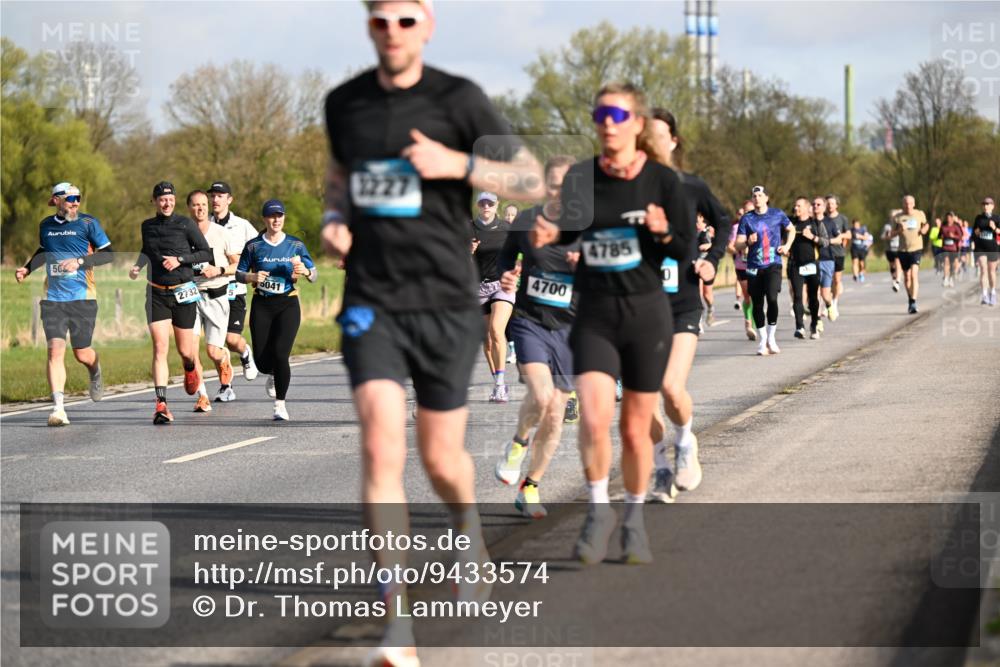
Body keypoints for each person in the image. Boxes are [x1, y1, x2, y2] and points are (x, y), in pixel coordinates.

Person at [320, 1, 545, 663]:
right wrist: (335, 222)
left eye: (405, 20)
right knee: (381, 446)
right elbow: (340, 184)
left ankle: (467, 526)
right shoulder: (345, 103)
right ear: (369, 26)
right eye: (381, 20)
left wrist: (459, 164)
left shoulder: (461, 100)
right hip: (372, 298)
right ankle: (397, 626)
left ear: (427, 24)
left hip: (445, 300)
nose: (393, 31)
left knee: (441, 459)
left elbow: (528, 179)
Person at [532, 82, 692, 564]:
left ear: (637, 124)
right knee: (597, 418)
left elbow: (684, 250)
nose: (607, 122)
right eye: (601, 113)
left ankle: (635, 520)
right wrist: (554, 231)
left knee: (635, 427)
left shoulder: (663, 182)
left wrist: (664, 232)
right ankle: (598, 510)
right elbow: (574, 226)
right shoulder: (583, 177)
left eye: (618, 115)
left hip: (646, 315)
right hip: (596, 314)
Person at [643, 108, 730, 503]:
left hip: (681, 304)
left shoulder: (691, 186)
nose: (652, 141)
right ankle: (661, 466)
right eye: (646, 135)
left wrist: (711, 262)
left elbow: (724, 221)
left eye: (659, 135)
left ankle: (685, 442)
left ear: (674, 141)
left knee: (670, 388)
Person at [493, 156, 578, 519]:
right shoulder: (528, 220)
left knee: (557, 413)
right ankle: (518, 443)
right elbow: (503, 262)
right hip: (530, 320)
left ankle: (530, 486)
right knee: (542, 396)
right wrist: (507, 277)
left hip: (571, 326)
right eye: (554, 183)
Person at [14, 183, 113, 426]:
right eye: (70, 198)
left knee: (81, 353)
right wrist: (27, 268)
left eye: (78, 198)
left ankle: (95, 369)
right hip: (53, 298)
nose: (75, 202)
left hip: (83, 296)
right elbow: (43, 251)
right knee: (54, 351)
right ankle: (58, 409)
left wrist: (79, 261)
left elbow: (108, 253)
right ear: (56, 200)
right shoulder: (46, 225)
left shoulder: (88, 223)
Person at [129, 181, 213, 424]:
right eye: (162, 199)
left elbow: (206, 253)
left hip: (183, 291)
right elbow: (148, 250)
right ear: (154, 201)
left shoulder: (185, 224)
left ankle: (189, 368)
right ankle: (161, 405)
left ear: (174, 200)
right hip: (156, 293)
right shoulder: (147, 226)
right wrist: (138, 265)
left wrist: (180, 259)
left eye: (170, 199)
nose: (167, 203)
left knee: (186, 352)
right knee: (160, 347)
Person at [236, 200, 316, 420]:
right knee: (262, 361)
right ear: (264, 219)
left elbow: (314, 274)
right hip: (262, 304)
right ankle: (270, 372)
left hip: (288, 304)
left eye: (280, 216)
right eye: (272, 216)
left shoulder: (295, 245)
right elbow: (238, 274)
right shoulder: (253, 246)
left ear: (284, 218)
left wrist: (306, 272)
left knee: (281, 354)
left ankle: (280, 405)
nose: (276, 220)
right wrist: (252, 277)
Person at [208, 181, 260, 400]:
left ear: (230, 199)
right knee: (215, 344)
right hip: (210, 290)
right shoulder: (203, 224)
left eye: (220, 196)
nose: (215, 199)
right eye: (213, 196)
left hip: (235, 289)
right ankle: (225, 386)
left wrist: (257, 275)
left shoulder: (242, 225)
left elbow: (259, 250)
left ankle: (245, 353)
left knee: (231, 339)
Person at [187, 190, 233, 412]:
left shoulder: (220, 232)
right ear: (189, 208)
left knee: (213, 351)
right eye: (196, 205)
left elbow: (239, 264)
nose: (201, 208)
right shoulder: (182, 233)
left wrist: (219, 269)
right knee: (190, 350)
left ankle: (224, 358)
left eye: (204, 204)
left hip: (216, 294)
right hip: (190, 296)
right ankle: (202, 396)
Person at [735, 186, 795, 355]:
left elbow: (791, 230)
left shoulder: (777, 214)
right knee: (758, 303)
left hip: (773, 263)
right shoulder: (747, 219)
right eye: (754, 196)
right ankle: (762, 341)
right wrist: (747, 241)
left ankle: (771, 337)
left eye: (760, 195)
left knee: (772, 298)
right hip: (754, 266)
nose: (757, 198)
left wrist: (787, 245)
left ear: (766, 198)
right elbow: (737, 245)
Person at [471, 190, 515, 402]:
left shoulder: (506, 228)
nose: (486, 206)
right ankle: (499, 383)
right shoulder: (469, 228)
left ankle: (499, 386)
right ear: (478, 206)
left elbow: (521, 250)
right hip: (478, 287)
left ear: (497, 205)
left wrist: (519, 268)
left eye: (490, 203)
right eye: (483, 203)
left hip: (502, 285)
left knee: (497, 330)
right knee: (487, 341)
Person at [786, 197, 827, 340]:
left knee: (813, 297)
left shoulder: (815, 223)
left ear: (806, 208)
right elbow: (783, 238)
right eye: (795, 206)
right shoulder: (791, 223)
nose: (795, 208)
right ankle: (799, 327)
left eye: (798, 206)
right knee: (797, 296)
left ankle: (814, 325)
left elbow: (825, 242)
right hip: (795, 264)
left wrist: (812, 237)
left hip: (812, 264)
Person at [890, 195, 930, 314]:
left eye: (910, 203)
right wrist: (899, 231)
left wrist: (924, 230)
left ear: (914, 204)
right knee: (907, 277)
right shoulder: (898, 217)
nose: (908, 206)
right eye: (906, 203)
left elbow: (926, 225)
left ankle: (913, 301)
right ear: (903, 204)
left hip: (916, 248)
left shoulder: (919, 214)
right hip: (903, 250)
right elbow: (892, 234)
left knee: (914, 274)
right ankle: (910, 300)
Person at [728, 199, 756, 340]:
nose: (748, 213)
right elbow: (730, 247)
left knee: (758, 296)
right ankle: (748, 323)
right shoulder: (736, 228)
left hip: (758, 264)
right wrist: (739, 248)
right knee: (748, 296)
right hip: (742, 265)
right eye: (746, 211)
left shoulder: (760, 225)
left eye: (751, 211)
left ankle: (757, 323)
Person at [813, 197, 841, 322]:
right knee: (814, 293)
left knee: (825, 294)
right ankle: (817, 322)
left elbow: (839, 239)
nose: (815, 206)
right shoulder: (810, 222)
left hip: (827, 260)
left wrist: (826, 241)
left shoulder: (830, 222)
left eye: (818, 204)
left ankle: (829, 305)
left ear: (824, 208)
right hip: (812, 260)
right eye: (813, 204)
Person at [825, 194, 850, 313]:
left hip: (838, 252)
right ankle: (827, 303)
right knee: (826, 280)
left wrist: (841, 236)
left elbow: (849, 234)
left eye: (832, 203)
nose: (830, 206)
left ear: (837, 205)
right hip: (824, 253)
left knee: (836, 280)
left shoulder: (842, 219)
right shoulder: (822, 218)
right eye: (828, 203)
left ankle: (834, 302)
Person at [972, 196, 999, 305]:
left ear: (992, 206)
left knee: (991, 271)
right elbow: (974, 232)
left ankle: (992, 292)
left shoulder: (997, 218)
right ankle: (984, 295)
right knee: (983, 269)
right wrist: (976, 232)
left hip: (992, 247)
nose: (985, 206)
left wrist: (995, 228)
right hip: (981, 247)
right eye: (984, 204)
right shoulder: (979, 218)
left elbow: (999, 231)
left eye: (988, 204)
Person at [939, 211, 964, 288]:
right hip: (945, 247)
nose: (949, 219)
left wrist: (953, 236)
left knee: (954, 265)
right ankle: (946, 278)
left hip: (954, 248)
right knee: (946, 263)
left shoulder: (956, 226)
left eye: (950, 217)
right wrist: (942, 237)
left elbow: (961, 236)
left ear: (953, 218)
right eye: (947, 218)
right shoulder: (943, 226)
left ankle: (951, 278)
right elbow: (939, 235)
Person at [882, 210, 903, 292]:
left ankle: (898, 281)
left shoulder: (900, 225)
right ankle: (894, 279)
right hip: (889, 249)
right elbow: (883, 236)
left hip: (898, 248)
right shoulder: (887, 226)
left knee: (898, 263)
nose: (894, 218)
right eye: (892, 216)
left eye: (895, 216)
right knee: (892, 265)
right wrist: (888, 237)